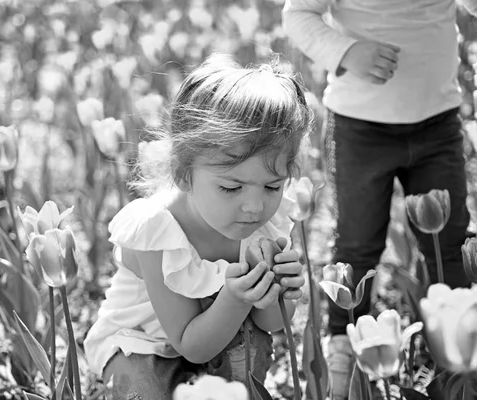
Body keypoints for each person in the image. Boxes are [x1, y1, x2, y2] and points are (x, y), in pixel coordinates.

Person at [282, 1, 477, 399]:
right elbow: (297, 14)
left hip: (438, 121)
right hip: (361, 128)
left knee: (448, 242)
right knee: (358, 245)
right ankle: (344, 345)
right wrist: (345, 52)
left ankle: (461, 351)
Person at [83, 53, 312, 400]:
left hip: (218, 337)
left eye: (273, 186)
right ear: (183, 173)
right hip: (144, 344)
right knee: (148, 393)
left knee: (251, 350)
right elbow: (191, 345)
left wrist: (279, 292)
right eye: (231, 188)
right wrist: (235, 298)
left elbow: (270, 326)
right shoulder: (157, 231)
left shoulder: (269, 221)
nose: (254, 206)